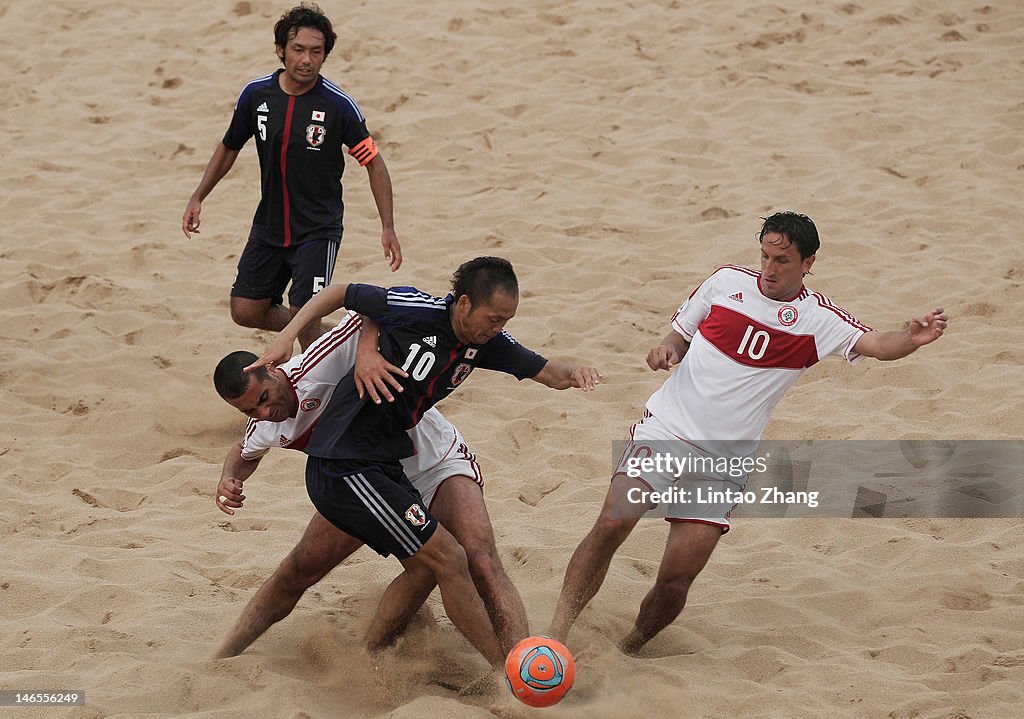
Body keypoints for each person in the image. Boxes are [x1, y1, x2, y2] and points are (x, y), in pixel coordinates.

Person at [548, 211, 949, 654]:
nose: (769, 268)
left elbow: (876, 345)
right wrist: (665, 349)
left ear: (808, 263)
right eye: (764, 255)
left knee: (676, 578)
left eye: (782, 260)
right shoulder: (724, 283)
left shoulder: (818, 319)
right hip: (666, 430)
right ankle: (555, 636)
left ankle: (628, 650)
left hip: (723, 462)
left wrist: (912, 339)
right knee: (611, 523)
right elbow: (678, 336)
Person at [246, 256, 602, 665]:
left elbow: (547, 372)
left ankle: (522, 665)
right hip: (352, 462)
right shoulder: (419, 309)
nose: (498, 328)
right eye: (494, 318)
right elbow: (345, 294)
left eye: (506, 321)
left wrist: (576, 373)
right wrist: (289, 337)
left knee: (476, 557)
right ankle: (479, 668)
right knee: (312, 568)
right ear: (464, 303)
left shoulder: (484, 344)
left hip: (404, 455)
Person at [211, 312, 529, 660]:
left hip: (433, 462)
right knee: (298, 570)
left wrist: (364, 352)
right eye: (250, 409)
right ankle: (225, 654)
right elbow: (244, 451)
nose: (265, 410)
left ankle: (522, 666)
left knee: (478, 558)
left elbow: (370, 309)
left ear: (272, 369)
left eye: (265, 397)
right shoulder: (264, 424)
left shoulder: (317, 363)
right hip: (366, 484)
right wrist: (231, 478)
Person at [182, 3, 401, 351]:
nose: (306, 59)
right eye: (298, 49)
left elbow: (374, 162)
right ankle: (330, 329)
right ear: (281, 50)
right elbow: (229, 146)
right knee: (245, 309)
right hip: (269, 227)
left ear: (325, 55)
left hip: (317, 230)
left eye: (316, 52)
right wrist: (198, 196)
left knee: (305, 319)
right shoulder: (257, 95)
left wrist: (387, 226)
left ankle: (313, 395)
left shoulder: (338, 106)